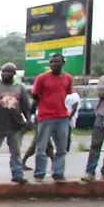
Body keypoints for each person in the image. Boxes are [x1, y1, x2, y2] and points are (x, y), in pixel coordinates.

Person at [31, 53, 73, 181]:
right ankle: (39, 173)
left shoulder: (68, 78)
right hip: (46, 117)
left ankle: (58, 172)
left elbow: (67, 94)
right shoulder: (42, 78)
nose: (53, 64)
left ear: (63, 63)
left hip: (62, 117)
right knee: (41, 147)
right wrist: (44, 105)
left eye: (56, 62)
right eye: (51, 62)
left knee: (61, 147)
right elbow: (35, 94)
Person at [82, 77, 104, 181]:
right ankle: (90, 172)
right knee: (96, 144)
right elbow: (102, 93)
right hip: (102, 116)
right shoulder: (103, 79)